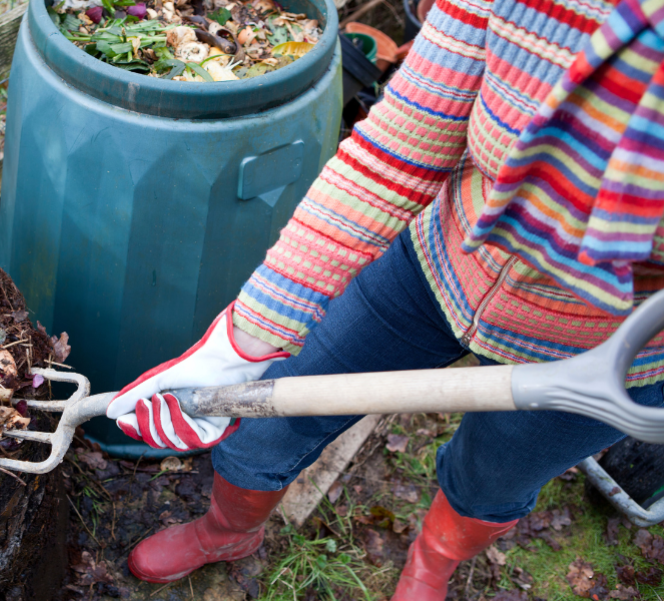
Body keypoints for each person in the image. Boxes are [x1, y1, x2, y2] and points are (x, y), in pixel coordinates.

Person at [105, 0, 664, 597]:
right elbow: (399, 148)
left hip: (605, 347)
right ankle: (227, 531)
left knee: (493, 482)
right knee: (263, 427)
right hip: (437, 264)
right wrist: (242, 339)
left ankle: (433, 561)